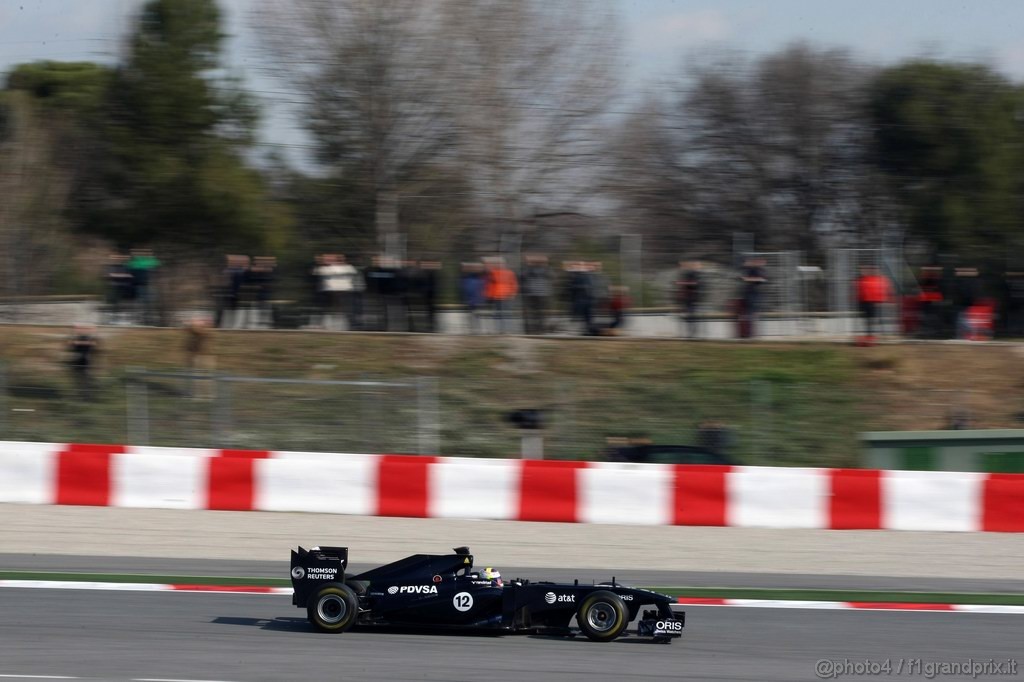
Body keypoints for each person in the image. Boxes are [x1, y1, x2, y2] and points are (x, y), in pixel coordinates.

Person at [855, 264, 892, 344]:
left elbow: (885, 290)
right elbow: (860, 290)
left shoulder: (882, 279)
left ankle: (873, 335)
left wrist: (883, 300)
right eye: (861, 270)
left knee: (873, 320)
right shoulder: (863, 279)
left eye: (877, 270)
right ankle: (870, 335)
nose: (875, 271)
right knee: (868, 320)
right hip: (865, 302)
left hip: (875, 302)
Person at [183, 315, 215, 399]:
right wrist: (190, 324)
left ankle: (206, 395)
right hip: (195, 355)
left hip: (204, 357)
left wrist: (192, 324)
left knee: (204, 377)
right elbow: (189, 330)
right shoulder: (195, 331)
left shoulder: (206, 331)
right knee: (193, 376)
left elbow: (197, 332)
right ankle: (193, 394)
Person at [485, 256, 518, 334]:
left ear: (505, 264)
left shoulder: (510, 273)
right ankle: (498, 329)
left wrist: (513, 293)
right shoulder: (492, 273)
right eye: (498, 263)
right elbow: (490, 285)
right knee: (497, 314)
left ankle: (507, 329)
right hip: (496, 297)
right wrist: (489, 295)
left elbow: (514, 284)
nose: (500, 265)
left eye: (501, 263)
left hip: (506, 297)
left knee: (506, 313)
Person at [66, 324, 99, 399]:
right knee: (78, 380)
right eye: (79, 329)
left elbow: (94, 343)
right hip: (77, 361)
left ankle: (87, 396)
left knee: (86, 379)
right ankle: (80, 395)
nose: (81, 330)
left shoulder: (88, 337)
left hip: (86, 362)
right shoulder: (76, 337)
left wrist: (78, 343)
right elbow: (70, 343)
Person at [521, 254, 552, 335]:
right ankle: (532, 329)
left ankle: (541, 329)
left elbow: (551, 276)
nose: (537, 263)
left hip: (542, 294)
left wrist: (545, 265)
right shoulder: (528, 270)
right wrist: (528, 265)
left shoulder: (546, 270)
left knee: (540, 313)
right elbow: (522, 275)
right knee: (532, 313)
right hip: (531, 294)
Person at [739, 258, 767, 339]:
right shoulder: (750, 269)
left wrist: (749, 279)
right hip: (749, 294)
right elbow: (742, 277)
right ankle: (749, 333)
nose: (762, 263)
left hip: (755, 294)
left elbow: (762, 279)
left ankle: (752, 333)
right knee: (749, 313)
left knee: (753, 313)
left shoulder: (760, 270)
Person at [675, 261, 703, 339]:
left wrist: (681, 283)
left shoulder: (691, 274)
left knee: (691, 316)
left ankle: (692, 334)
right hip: (685, 299)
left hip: (691, 299)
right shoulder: (685, 274)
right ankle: (687, 333)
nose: (681, 268)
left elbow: (694, 283)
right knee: (687, 317)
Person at [460, 262, 486, 334]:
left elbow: (466, 289)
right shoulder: (470, 279)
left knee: (473, 315)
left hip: (473, 300)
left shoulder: (473, 279)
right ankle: (474, 329)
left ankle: (474, 329)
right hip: (473, 300)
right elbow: (466, 289)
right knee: (473, 315)